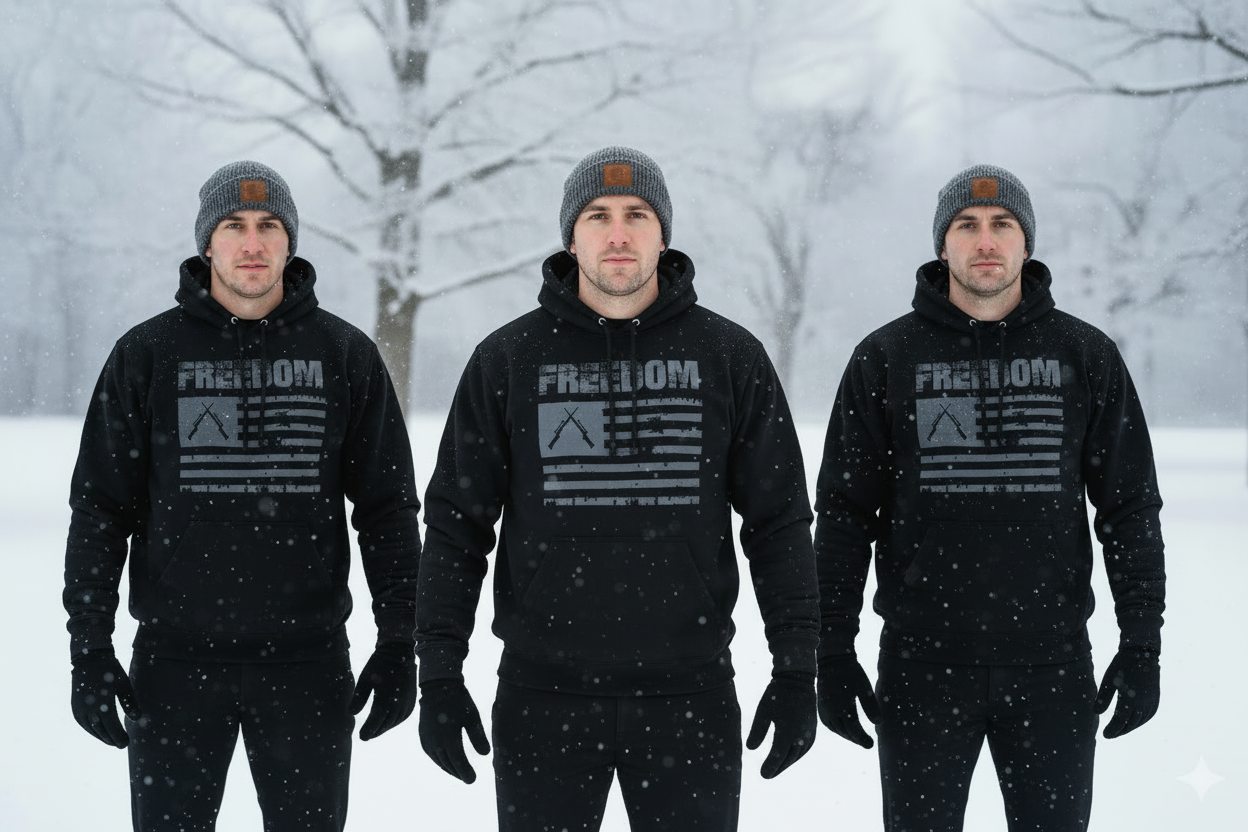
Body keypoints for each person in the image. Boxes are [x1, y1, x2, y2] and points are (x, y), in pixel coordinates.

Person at [415, 146, 819, 830]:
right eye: (598, 215)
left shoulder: (729, 358)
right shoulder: (507, 361)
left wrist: (798, 666)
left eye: (638, 214)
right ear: (572, 235)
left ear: (664, 232)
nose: (619, 232)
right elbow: (456, 529)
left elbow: (779, 525)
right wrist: (438, 672)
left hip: (689, 699)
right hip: (543, 699)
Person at [64, 160, 422, 831]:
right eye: (234, 226)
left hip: (307, 667)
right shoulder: (146, 356)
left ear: (290, 242)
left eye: (268, 227)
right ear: (207, 244)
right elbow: (100, 510)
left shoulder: (344, 355)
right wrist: (89, 649)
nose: (252, 244)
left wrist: (401, 641)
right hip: (173, 667)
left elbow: (387, 510)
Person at [813, 164, 1167, 832]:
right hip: (922, 666)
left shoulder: (1084, 356)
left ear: (1026, 243)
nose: (985, 241)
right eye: (966, 226)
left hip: (1052, 667)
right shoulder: (885, 358)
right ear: (941, 245)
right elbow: (842, 518)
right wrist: (831, 651)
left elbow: (1129, 509)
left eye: (1002, 225)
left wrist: (1141, 642)